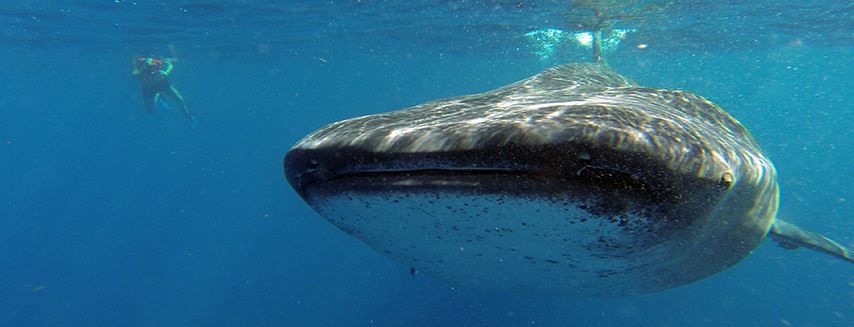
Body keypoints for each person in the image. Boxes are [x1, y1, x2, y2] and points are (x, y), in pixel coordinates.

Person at [132, 56, 197, 127]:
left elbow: (169, 65)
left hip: (162, 82)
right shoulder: (135, 61)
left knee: (178, 99)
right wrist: (145, 67)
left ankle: (188, 116)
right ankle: (159, 94)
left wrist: (166, 72)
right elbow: (134, 75)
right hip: (148, 86)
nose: (143, 58)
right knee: (149, 110)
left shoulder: (155, 57)